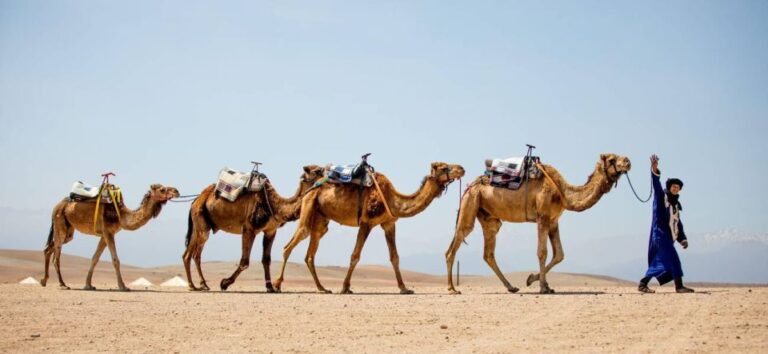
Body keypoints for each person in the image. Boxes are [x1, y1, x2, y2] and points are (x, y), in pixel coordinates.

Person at [638, 154, 694, 293]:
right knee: (674, 258)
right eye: (673, 186)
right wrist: (655, 171)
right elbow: (656, 185)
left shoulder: (676, 206)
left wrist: (683, 239)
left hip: (668, 237)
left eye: (678, 187)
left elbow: (677, 224)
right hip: (660, 234)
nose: (675, 188)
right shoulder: (661, 197)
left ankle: (643, 283)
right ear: (669, 187)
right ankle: (679, 286)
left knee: (660, 261)